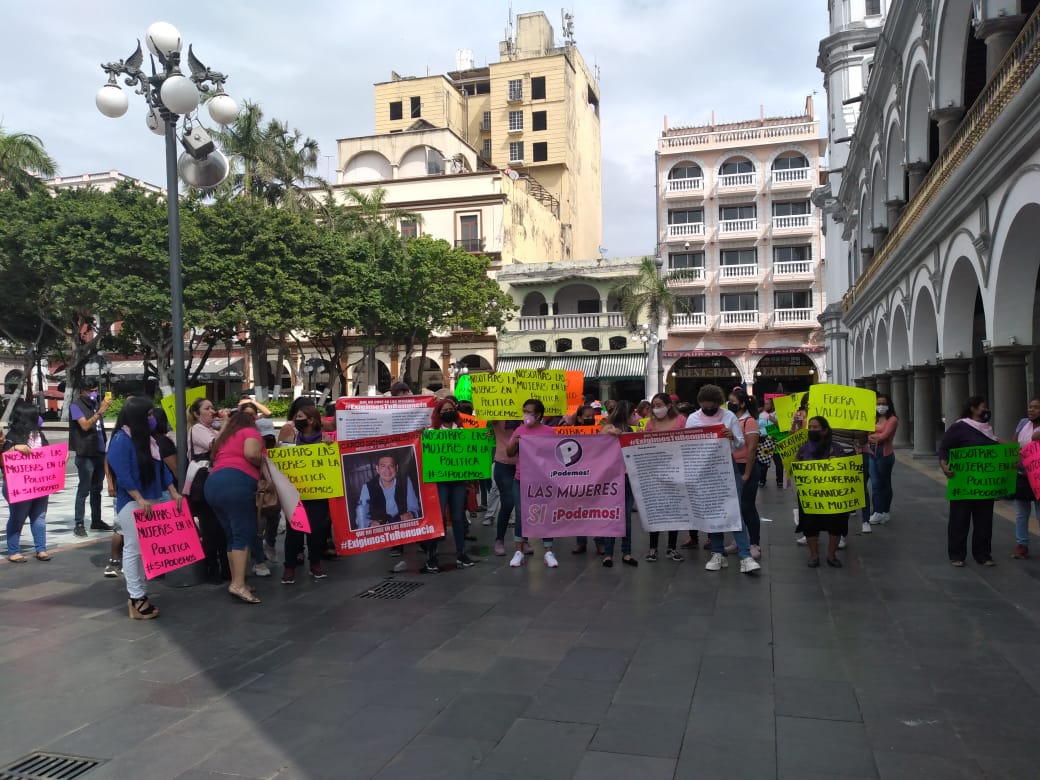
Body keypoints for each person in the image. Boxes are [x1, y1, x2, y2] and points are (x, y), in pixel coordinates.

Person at [106, 396, 182, 619]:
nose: (152, 419)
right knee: (134, 549)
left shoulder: (148, 439)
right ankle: (136, 597)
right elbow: (123, 473)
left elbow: (162, 469)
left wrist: (174, 491)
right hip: (133, 503)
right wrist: (139, 499)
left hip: (152, 498)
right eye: (148, 415)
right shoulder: (121, 440)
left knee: (144, 551)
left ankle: (140, 594)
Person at [685, 384, 761, 574]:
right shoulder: (693, 419)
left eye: (713, 406)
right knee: (713, 510)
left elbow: (740, 443)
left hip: (726, 467)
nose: (709, 409)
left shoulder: (729, 416)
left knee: (734, 509)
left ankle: (745, 554)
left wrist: (732, 437)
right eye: (705, 406)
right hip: (703, 470)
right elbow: (686, 443)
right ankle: (718, 552)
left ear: (718, 404)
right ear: (700, 403)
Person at [204, 404, 267, 603]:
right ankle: (238, 584)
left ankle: (237, 580)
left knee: (231, 534)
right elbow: (251, 454)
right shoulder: (250, 432)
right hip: (236, 484)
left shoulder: (226, 437)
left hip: (213, 484)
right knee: (243, 533)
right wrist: (263, 463)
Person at [939, 396, 998, 567]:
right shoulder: (960, 427)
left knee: (985, 521)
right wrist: (944, 464)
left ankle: (983, 554)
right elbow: (945, 447)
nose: (986, 411)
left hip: (985, 484)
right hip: (963, 483)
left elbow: (997, 450)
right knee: (960, 519)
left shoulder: (988, 430)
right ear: (973, 409)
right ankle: (957, 554)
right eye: (983, 407)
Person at [422, 398, 476, 572]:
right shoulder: (431, 432)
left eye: (450, 409)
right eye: (444, 410)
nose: (448, 412)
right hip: (440, 482)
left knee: (458, 517)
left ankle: (461, 553)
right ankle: (432, 555)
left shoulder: (462, 431)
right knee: (437, 518)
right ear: (439, 413)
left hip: (458, 482)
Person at [280, 404, 331, 583]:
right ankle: (289, 567)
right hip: (294, 495)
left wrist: (330, 447)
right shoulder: (291, 438)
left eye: (300, 416)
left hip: (318, 494)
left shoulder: (326, 440)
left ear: (311, 420)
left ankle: (315, 564)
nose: (296, 419)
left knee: (317, 530)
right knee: (293, 532)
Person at [506, 399, 559, 568]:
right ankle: (519, 551)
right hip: (521, 480)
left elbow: (555, 455)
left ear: (538, 415)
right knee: (521, 514)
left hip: (542, 482)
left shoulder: (549, 432)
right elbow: (509, 453)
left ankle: (548, 551)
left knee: (545, 514)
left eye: (530, 412)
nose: (526, 415)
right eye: (525, 411)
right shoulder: (519, 430)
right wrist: (515, 442)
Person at [795, 416, 849, 568]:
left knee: (836, 523)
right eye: (810, 427)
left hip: (832, 495)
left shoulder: (837, 449)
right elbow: (796, 465)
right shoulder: (804, 448)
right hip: (810, 494)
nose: (812, 430)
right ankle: (814, 555)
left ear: (825, 431)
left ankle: (831, 555)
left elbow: (844, 470)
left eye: (815, 427)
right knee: (810, 524)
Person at [3, 401, 51, 562]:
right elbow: (3, 460)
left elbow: (49, 453)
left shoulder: (39, 435)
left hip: (39, 484)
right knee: (18, 517)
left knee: (39, 516)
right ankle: (14, 550)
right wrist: (15, 449)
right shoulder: (12, 437)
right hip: (19, 486)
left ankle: (41, 548)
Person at [186, 397, 228, 583]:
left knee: (221, 527)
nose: (212, 411)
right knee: (210, 528)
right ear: (196, 413)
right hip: (203, 483)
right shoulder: (197, 429)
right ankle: (213, 569)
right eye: (207, 408)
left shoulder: (213, 429)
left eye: (213, 407)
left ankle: (225, 568)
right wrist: (226, 423)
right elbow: (216, 446)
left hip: (216, 480)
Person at [644, 392, 687, 562]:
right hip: (655, 471)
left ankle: (671, 548)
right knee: (656, 510)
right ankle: (653, 548)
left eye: (660, 404)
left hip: (675, 470)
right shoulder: (650, 423)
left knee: (673, 510)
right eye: (654, 405)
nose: (656, 408)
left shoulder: (680, 421)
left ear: (669, 406)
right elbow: (643, 443)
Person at [68, 378, 114, 536]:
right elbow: (85, 425)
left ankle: (96, 520)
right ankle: (79, 523)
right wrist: (101, 411)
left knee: (97, 489)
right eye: (91, 391)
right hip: (85, 453)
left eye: (95, 390)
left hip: (99, 451)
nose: (94, 393)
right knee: (84, 489)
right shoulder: (76, 406)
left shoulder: (94, 404)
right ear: (83, 391)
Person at [596, 402, 638, 568]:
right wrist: (612, 432)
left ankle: (626, 552)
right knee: (612, 515)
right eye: (632, 414)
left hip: (627, 477)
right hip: (612, 477)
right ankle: (608, 553)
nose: (635, 417)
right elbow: (600, 440)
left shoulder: (632, 432)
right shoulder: (609, 428)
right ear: (626, 415)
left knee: (626, 516)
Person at [729, 388, 763, 560]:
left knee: (747, 506)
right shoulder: (731, 420)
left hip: (745, 467)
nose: (729, 405)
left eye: (733, 402)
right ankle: (739, 540)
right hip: (732, 466)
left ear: (742, 404)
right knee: (735, 507)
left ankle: (754, 543)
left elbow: (751, 450)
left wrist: (747, 474)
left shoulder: (749, 422)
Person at [866, 393, 899, 529]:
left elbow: (884, 437)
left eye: (883, 403)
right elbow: (864, 433)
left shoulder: (892, 419)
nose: (881, 406)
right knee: (875, 483)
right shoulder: (872, 418)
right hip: (871, 452)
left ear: (889, 405)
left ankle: (884, 511)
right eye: (878, 403)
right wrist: (873, 436)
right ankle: (877, 511)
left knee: (885, 483)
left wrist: (871, 435)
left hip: (884, 454)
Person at [1013, 397, 1040, 559]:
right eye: (1030, 407)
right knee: (1021, 512)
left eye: (1036, 407)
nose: (1031, 410)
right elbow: (1014, 444)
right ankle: (1022, 544)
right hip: (1023, 475)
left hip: (1038, 476)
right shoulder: (1023, 423)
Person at [490, 419, 520, 556]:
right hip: (503, 464)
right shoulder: (496, 417)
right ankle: (499, 540)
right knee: (508, 503)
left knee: (523, 506)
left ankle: (523, 540)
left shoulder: (527, 417)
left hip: (525, 464)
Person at [757, 398, 785, 488]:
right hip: (764, 440)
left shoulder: (777, 414)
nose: (766, 405)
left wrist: (773, 419)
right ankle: (762, 480)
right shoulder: (761, 415)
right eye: (765, 404)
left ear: (773, 405)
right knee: (764, 461)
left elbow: (782, 426)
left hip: (775, 439)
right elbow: (757, 425)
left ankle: (780, 481)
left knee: (778, 462)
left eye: (768, 404)